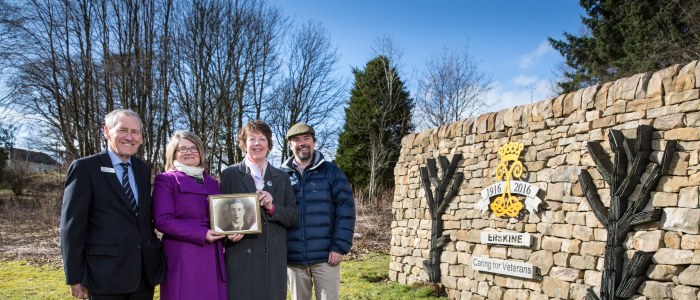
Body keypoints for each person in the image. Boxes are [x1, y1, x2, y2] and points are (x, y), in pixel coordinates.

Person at [60, 109, 165, 300]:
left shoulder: (143, 169)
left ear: (141, 138)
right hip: (104, 276)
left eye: (135, 132)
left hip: (143, 276)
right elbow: (72, 227)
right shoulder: (85, 168)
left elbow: (142, 218)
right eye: (123, 130)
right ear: (107, 131)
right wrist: (75, 276)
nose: (129, 137)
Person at [220, 120, 298, 300]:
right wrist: (227, 234)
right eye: (251, 139)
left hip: (273, 258)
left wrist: (272, 208)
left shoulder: (282, 177)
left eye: (262, 139)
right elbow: (219, 215)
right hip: (241, 255)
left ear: (269, 144)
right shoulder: (230, 174)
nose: (257, 144)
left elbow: (293, 215)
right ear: (244, 144)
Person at [282, 123, 356, 300]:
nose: (302, 143)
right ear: (290, 145)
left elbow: (346, 211)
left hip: (326, 257)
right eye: (296, 140)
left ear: (314, 142)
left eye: (306, 138)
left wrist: (339, 247)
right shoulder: (281, 175)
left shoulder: (332, 172)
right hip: (293, 260)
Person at [152, 131, 227, 300]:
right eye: (182, 149)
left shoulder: (213, 182)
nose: (189, 152)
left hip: (214, 255)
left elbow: (224, 215)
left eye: (193, 148)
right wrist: (202, 233)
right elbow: (162, 220)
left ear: (200, 152)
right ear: (173, 154)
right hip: (184, 255)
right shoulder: (166, 180)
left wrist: (232, 231)